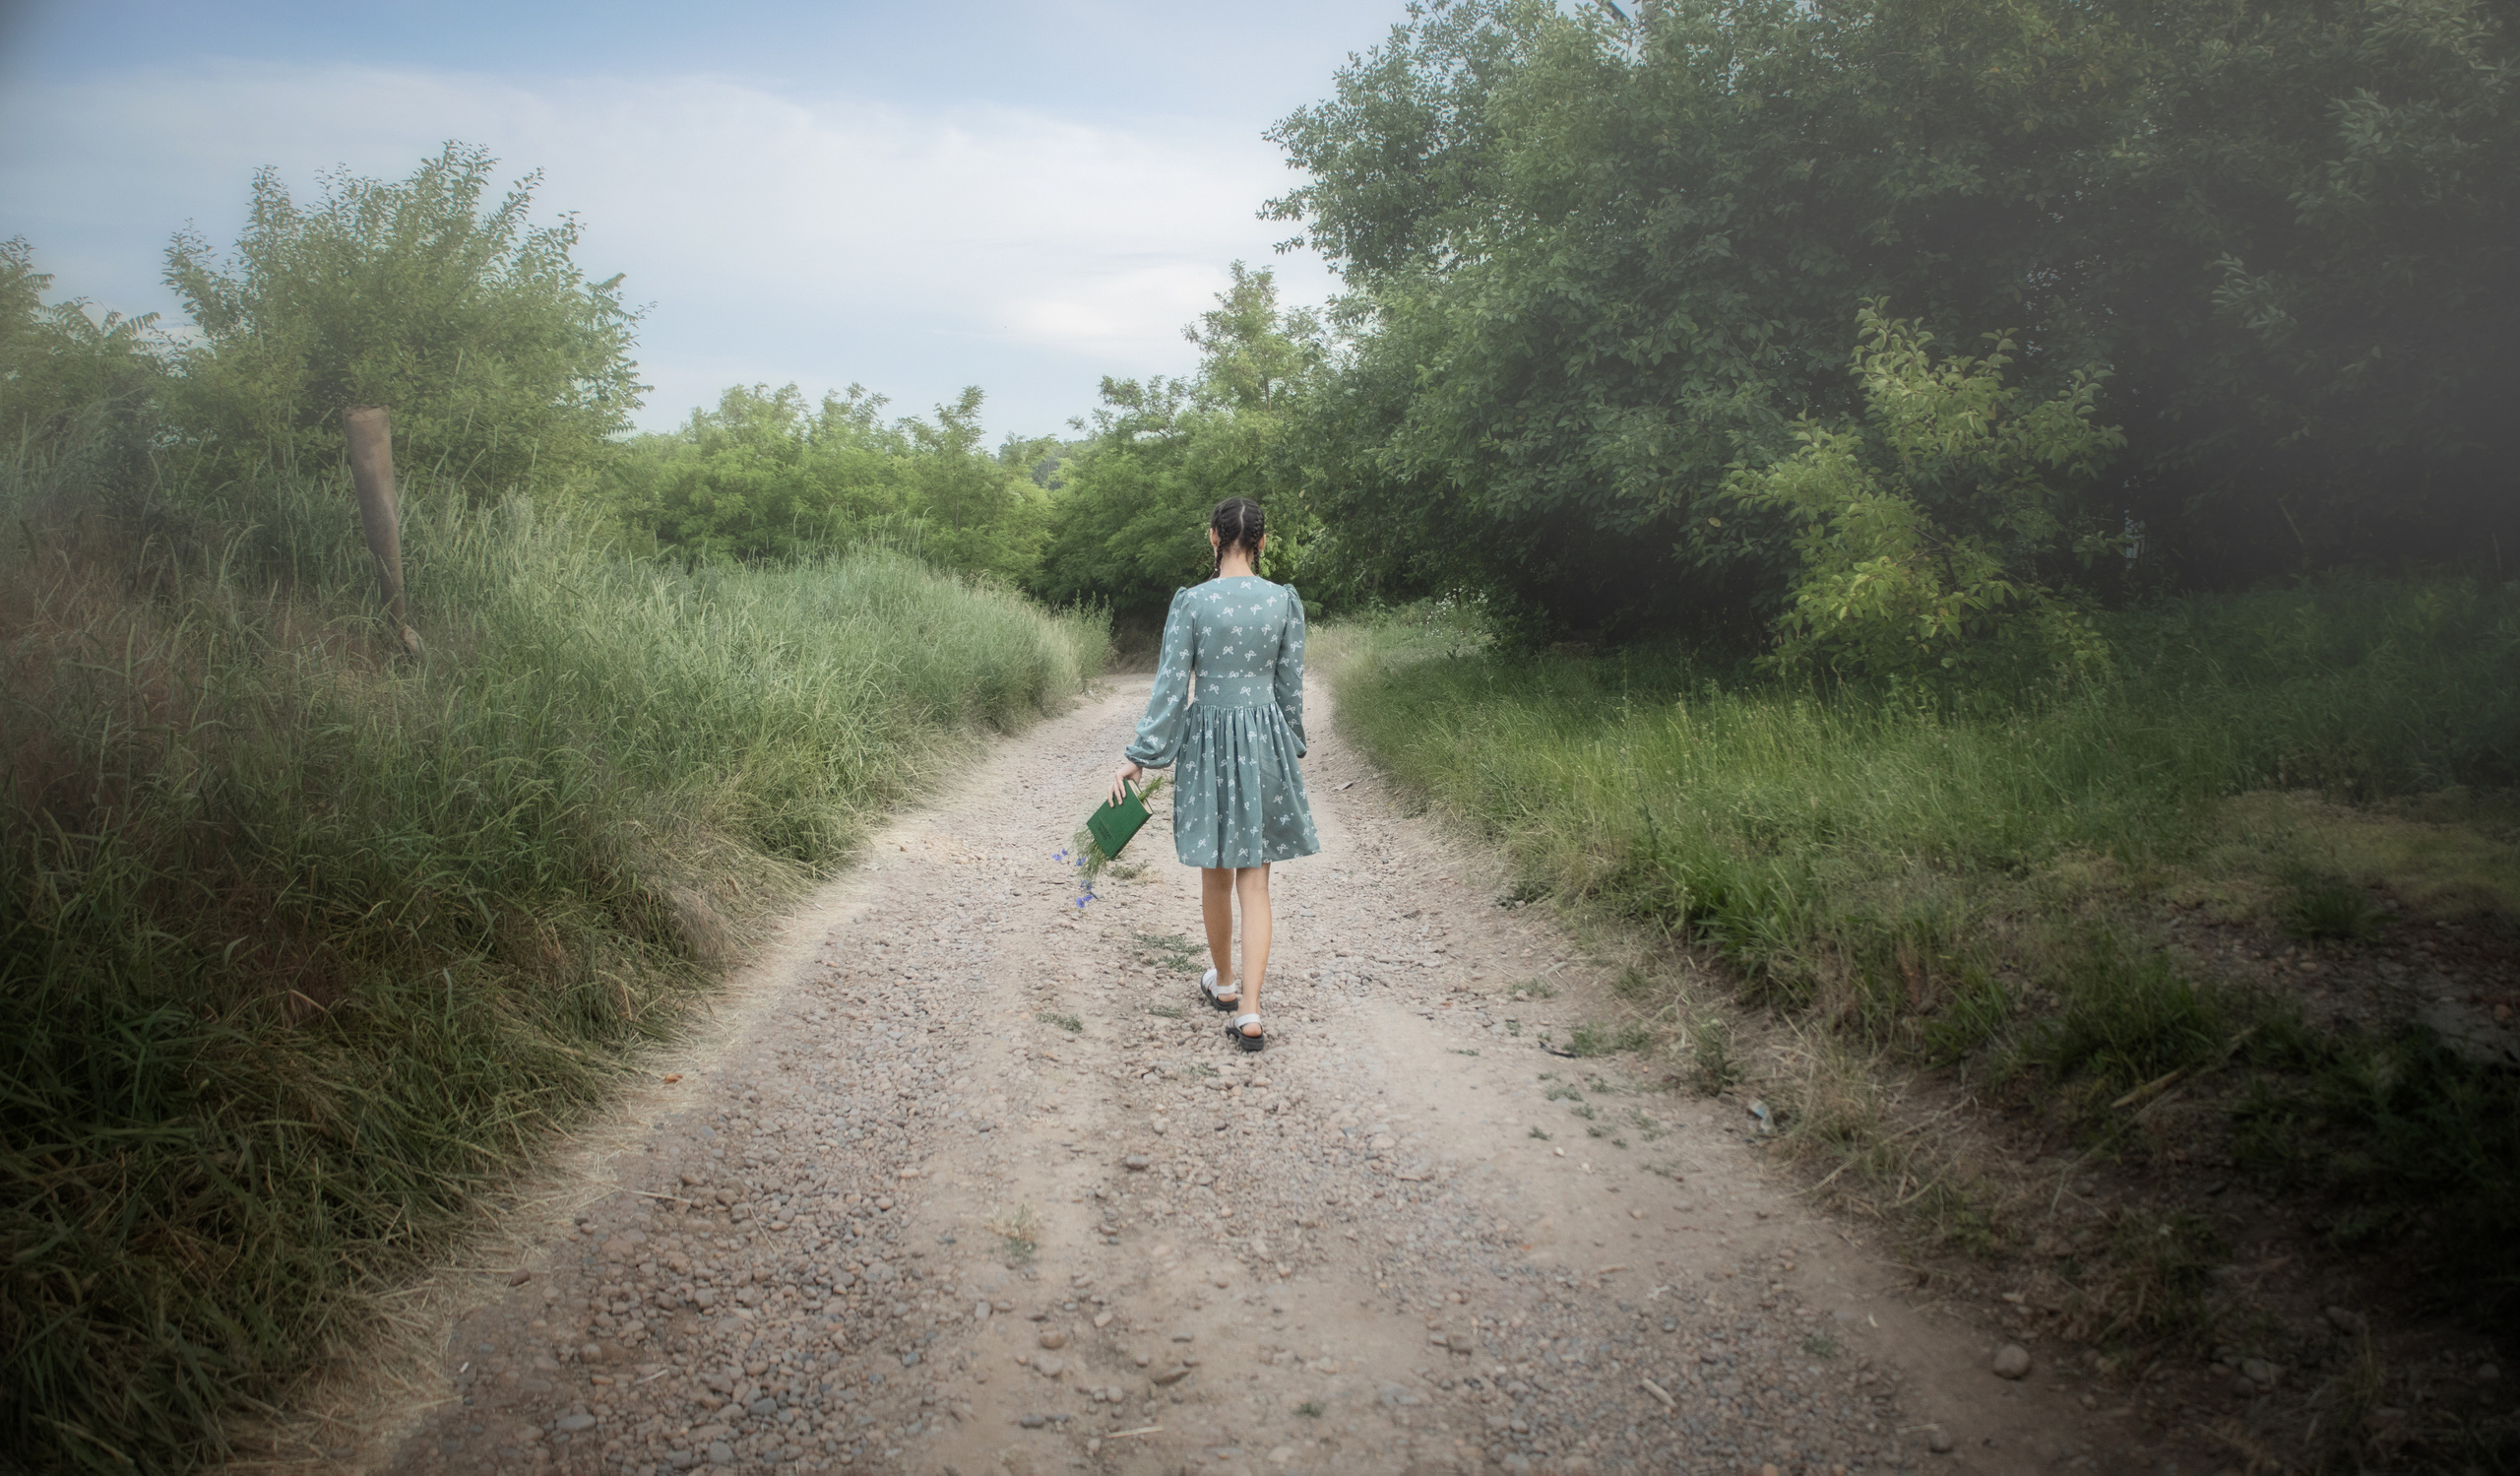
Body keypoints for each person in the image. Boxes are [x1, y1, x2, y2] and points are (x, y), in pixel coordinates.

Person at [1109, 497, 1319, 1052]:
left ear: (1212, 538)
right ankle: (1250, 1012)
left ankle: (1223, 983)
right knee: (1256, 879)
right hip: (1264, 741)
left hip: (1207, 742)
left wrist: (1142, 755)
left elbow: (1171, 686)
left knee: (1215, 870)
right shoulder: (1283, 601)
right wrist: (1287, 742)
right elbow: (1289, 686)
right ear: (1263, 542)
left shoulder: (1193, 603)